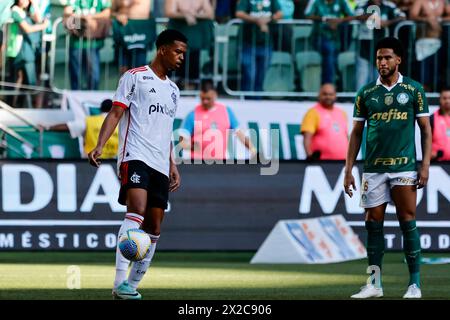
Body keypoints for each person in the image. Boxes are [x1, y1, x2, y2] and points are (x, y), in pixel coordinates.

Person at [88, 29, 187, 300]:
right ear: (162, 49)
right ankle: (118, 282)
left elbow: (165, 131)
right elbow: (117, 112)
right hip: (135, 156)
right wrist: (99, 144)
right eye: (178, 51)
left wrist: (173, 164)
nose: (181, 57)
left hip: (160, 163)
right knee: (137, 212)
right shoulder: (134, 77)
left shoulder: (174, 90)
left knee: (154, 227)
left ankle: (130, 286)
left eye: (183, 54)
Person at [344, 37, 432, 299]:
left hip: (404, 167)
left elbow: (426, 130)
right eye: (379, 58)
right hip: (373, 168)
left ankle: (414, 284)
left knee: (407, 221)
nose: (382, 62)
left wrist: (425, 165)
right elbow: (356, 133)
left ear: (398, 60)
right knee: (373, 224)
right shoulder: (366, 93)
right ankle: (374, 284)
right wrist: (348, 169)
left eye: (387, 57)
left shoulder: (414, 90)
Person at [179, 79, 257, 160]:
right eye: (202, 98)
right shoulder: (193, 114)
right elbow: (182, 139)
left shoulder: (226, 112)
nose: (205, 101)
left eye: (208, 98)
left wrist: (253, 150)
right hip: (197, 162)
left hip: (220, 163)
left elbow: (240, 134)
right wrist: (190, 146)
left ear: (215, 95)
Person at [354, 0, 406, 90]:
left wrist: (388, 22)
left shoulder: (389, 6)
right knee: (361, 80)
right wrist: (373, 17)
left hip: (382, 50)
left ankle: (377, 102)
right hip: (363, 48)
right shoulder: (362, 5)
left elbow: (402, 16)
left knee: (378, 80)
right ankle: (359, 101)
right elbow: (355, 16)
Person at [235, 0, 283, 95]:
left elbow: (280, 14)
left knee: (261, 76)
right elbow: (239, 13)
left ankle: (257, 100)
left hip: (266, 43)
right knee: (249, 75)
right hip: (247, 43)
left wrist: (268, 19)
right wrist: (257, 20)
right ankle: (247, 100)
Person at [165, 0, 215, 90]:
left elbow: (210, 14)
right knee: (174, 76)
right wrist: (185, 15)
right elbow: (169, 12)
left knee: (192, 72)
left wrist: (194, 15)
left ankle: (190, 90)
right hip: (176, 47)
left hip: (194, 48)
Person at [45, 99, 119, 159]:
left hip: (90, 161)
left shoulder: (89, 121)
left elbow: (68, 126)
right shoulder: (120, 123)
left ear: (100, 109)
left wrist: (48, 127)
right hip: (114, 162)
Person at [63, 0, 111, 90]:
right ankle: (76, 98)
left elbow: (107, 13)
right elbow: (67, 11)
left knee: (94, 76)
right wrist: (82, 19)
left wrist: (87, 17)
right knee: (76, 75)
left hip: (93, 43)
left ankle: (91, 96)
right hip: (76, 43)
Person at [304, 0, 354, 85]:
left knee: (332, 54)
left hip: (337, 39)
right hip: (318, 37)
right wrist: (324, 19)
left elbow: (352, 15)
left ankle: (332, 84)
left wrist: (339, 20)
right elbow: (307, 15)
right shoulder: (315, 1)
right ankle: (329, 84)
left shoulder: (342, 1)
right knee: (329, 50)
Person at [409, 0, 450, 91]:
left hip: (438, 42)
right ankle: (422, 96)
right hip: (423, 41)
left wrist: (440, 19)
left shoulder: (442, 2)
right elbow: (412, 16)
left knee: (435, 72)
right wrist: (426, 19)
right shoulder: (420, 1)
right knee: (423, 72)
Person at [301, 83, 348, 160]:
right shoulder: (312, 113)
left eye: (331, 94)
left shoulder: (342, 113)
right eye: (325, 94)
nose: (328, 97)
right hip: (321, 163)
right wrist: (310, 157)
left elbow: (346, 137)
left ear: (335, 96)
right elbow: (307, 138)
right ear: (319, 95)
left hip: (343, 162)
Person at [111, 0, 156, 75]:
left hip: (141, 34)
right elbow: (111, 11)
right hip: (124, 33)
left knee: (139, 70)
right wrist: (117, 16)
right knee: (123, 70)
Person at [431, 87, 450, 161]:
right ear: (439, 99)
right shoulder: (432, 119)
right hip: (438, 164)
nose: (447, 101)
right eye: (444, 98)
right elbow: (425, 140)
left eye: (449, 98)